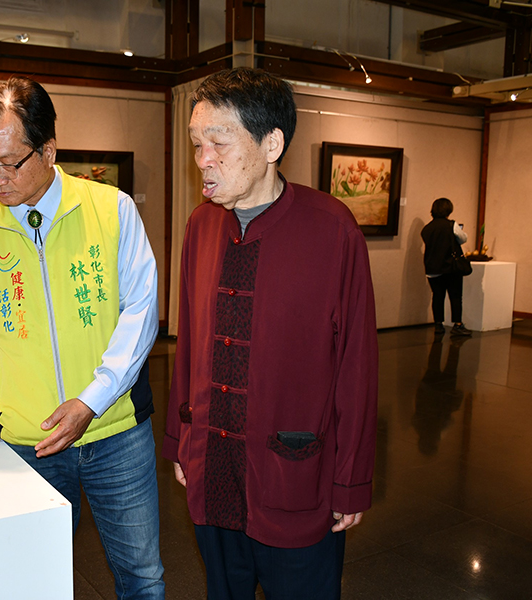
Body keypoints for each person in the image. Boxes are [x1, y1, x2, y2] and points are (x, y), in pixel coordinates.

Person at [0, 76, 164, 599]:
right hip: (27, 441)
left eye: (8, 164)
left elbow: (140, 313)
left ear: (48, 150)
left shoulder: (111, 210)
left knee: (142, 579)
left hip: (116, 432)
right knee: (34, 582)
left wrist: (91, 400)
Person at [163, 67, 378, 600]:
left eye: (218, 142)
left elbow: (357, 365)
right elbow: (189, 345)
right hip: (213, 469)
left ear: (271, 144)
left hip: (293, 477)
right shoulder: (200, 225)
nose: (203, 159)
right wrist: (181, 441)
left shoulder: (332, 228)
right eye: (196, 143)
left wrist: (351, 480)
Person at [421, 197, 472, 337]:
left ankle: (438, 324)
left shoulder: (427, 228)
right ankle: (458, 324)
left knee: (437, 296)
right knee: (455, 296)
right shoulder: (451, 225)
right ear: (448, 210)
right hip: (450, 267)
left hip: (432, 267)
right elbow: (463, 238)